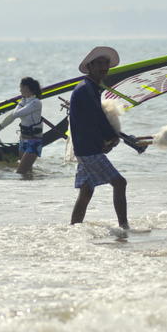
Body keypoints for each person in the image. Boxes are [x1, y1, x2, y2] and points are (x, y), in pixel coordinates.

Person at [69, 46, 129, 228]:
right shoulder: (86, 89)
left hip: (85, 147)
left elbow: (94, 120)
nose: (104, 67)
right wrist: (113, 137)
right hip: (88, 149)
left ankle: (74, 228)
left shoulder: (92, 88)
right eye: (100, 64)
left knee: (86, 191)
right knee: (120, 183)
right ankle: (124, 227)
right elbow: (97, 119)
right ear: (90, 66)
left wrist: (111, 139)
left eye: (106, 64)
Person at [0, 77, 43, 174]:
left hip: (33, 141)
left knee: (20, 172)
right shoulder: (24, 101)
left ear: (26, 88)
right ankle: (32, 188)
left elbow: (16, 114)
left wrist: (20, 104)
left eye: (21, 87)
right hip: (23, 141)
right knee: (27, 173)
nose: (20, 90)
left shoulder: (36, 103)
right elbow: (11, 118)